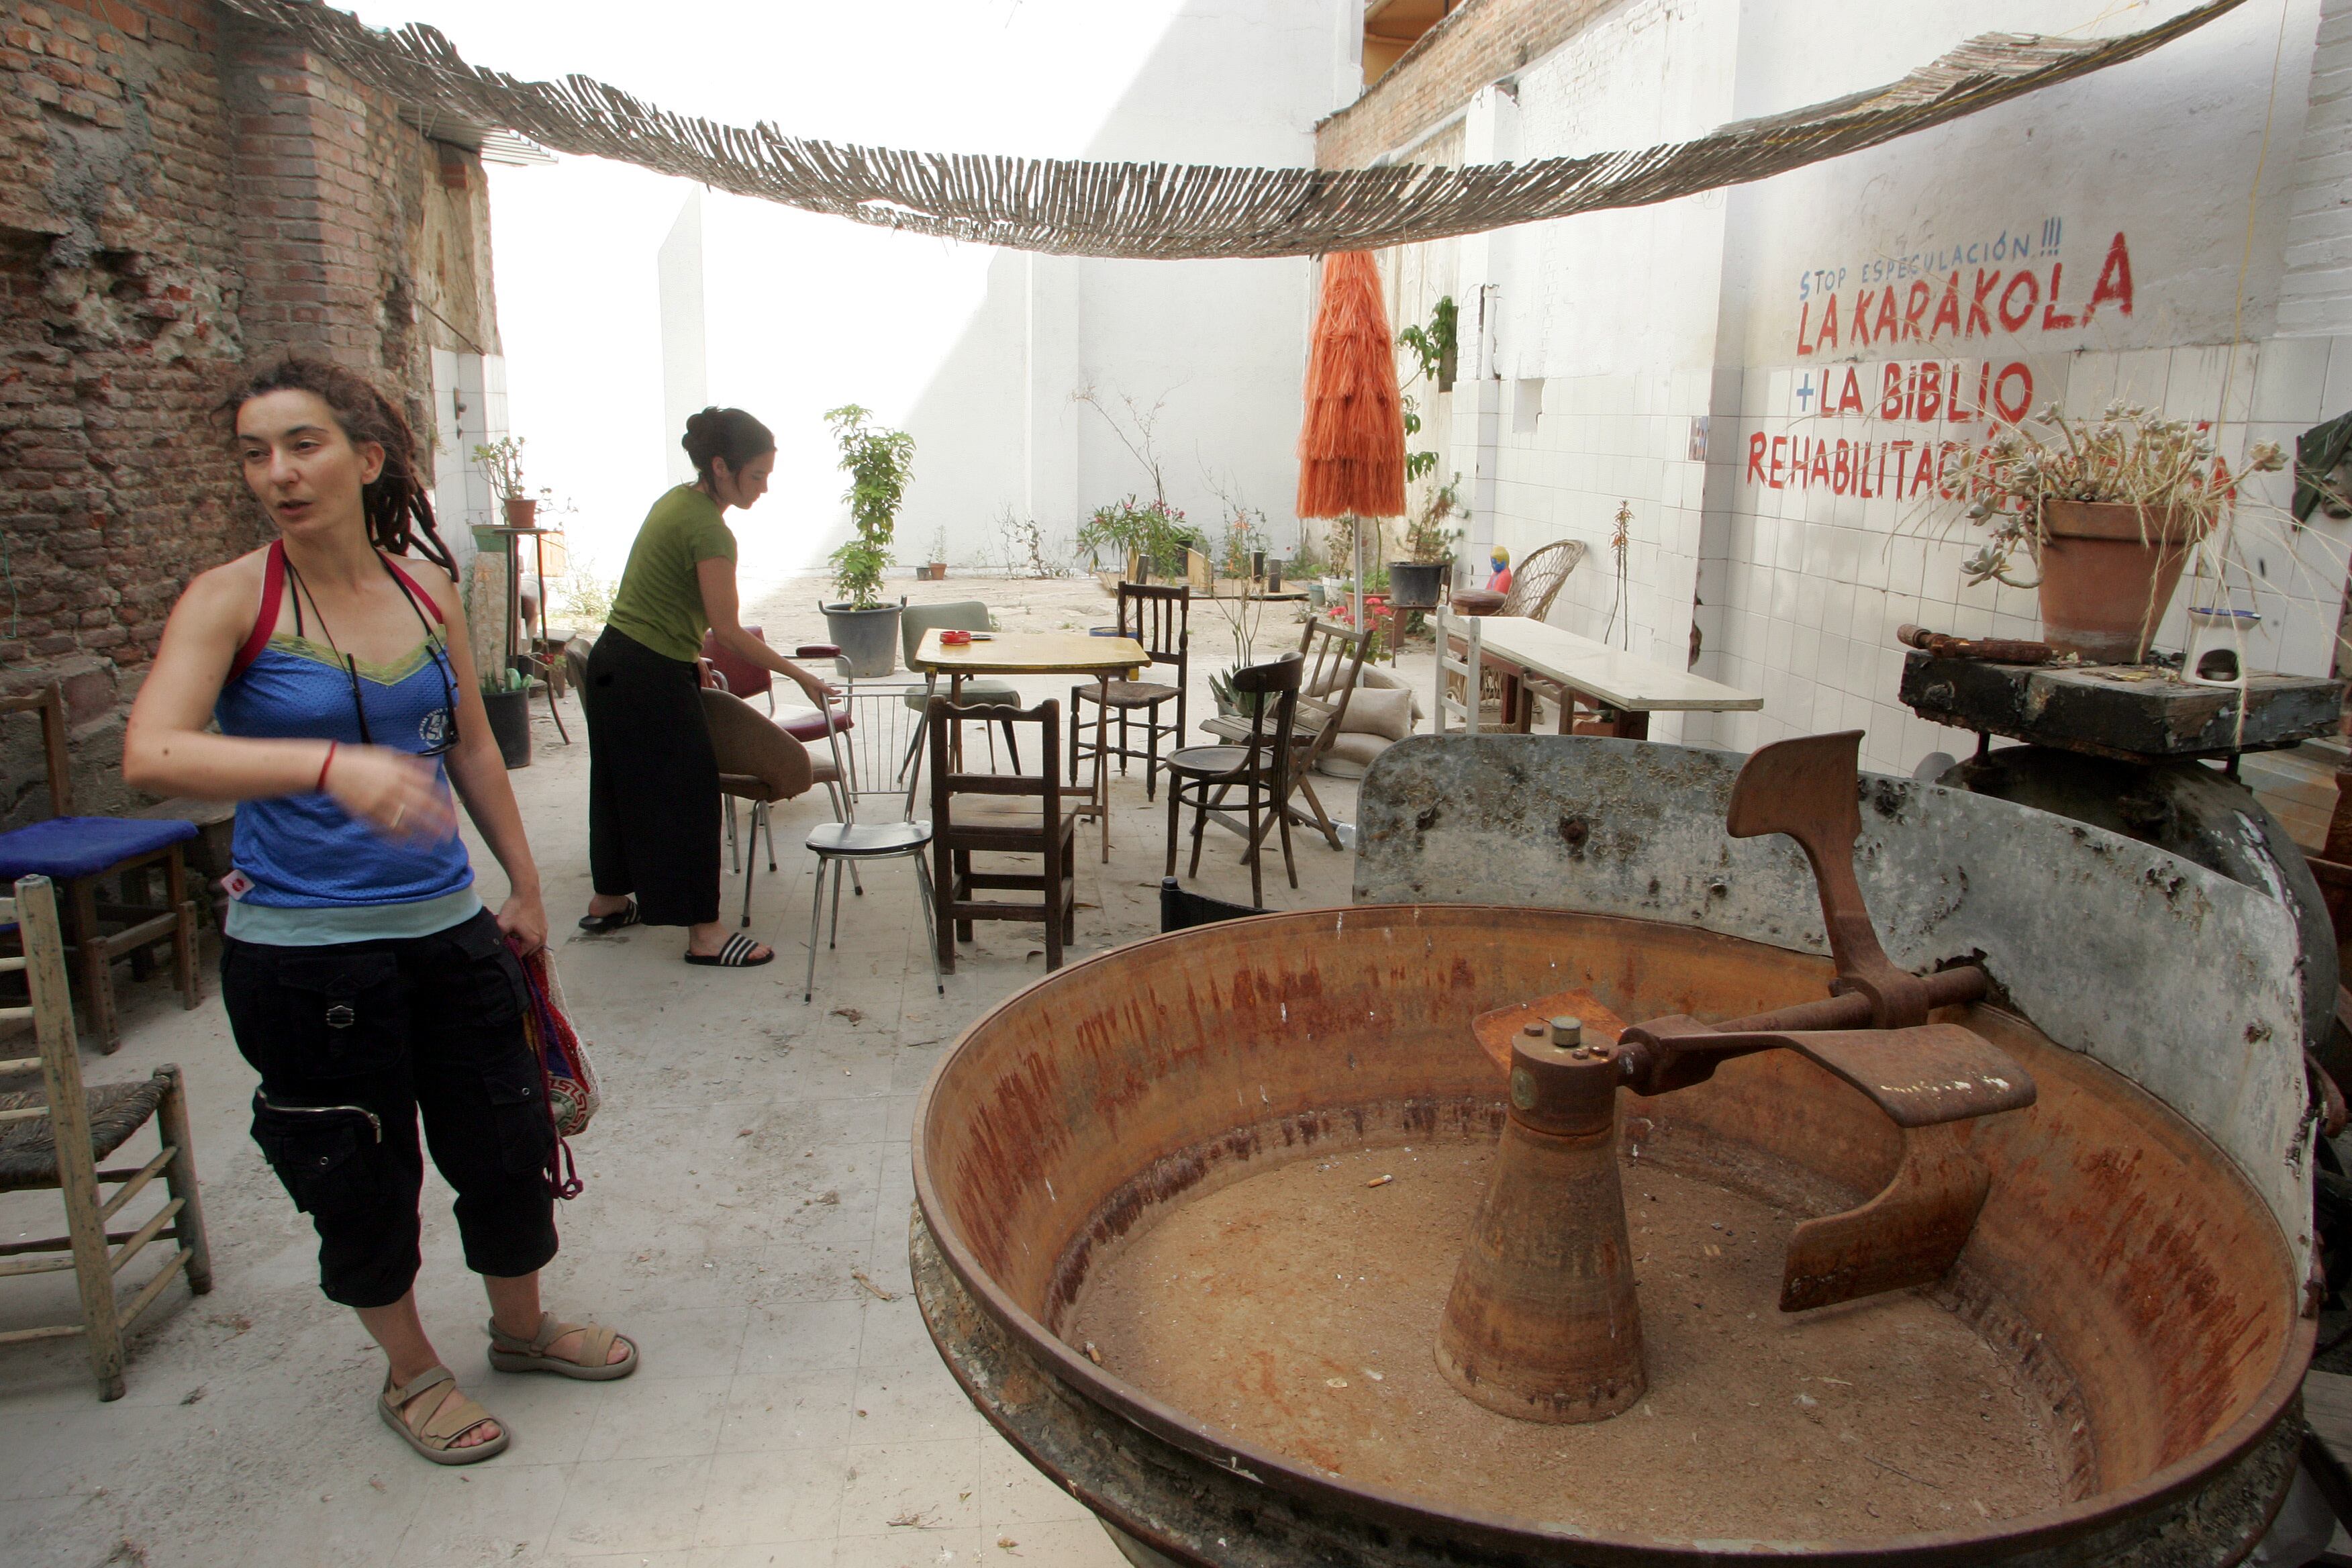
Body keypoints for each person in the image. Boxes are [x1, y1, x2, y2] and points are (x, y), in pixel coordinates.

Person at [123, 355, 635, 1465]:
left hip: (446, 927)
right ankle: (411, 1374)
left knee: (504, 1140)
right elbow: (149, 755)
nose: (277, 473)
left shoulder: (422, 590)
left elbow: (472, 748)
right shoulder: (232, 598)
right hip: (306, 957)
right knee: (359, 1172)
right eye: (256, 453)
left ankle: (521, 1328)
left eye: (301, 445)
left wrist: (527, 885)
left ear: (365, 460)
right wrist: (324, 767)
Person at [578, 406, 835, 967]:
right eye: (756, 477)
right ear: (721, 467)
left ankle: (610, 901)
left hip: (614, 662)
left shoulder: (675, 502)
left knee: (619, 787)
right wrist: (801, 675)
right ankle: (706, 934)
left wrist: (689, 652)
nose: (764, 489)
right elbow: (729, 629)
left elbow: (662, 593)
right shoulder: (711, 530)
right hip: (648, 675)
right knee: (691, 796)